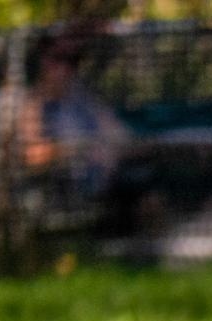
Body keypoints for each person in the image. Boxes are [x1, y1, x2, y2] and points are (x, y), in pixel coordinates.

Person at [13, 38, 130, 206]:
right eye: (58, 58)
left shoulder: (84, 98)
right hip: (57, 190)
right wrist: (74, 149)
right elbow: (31, 157)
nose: (65, 68)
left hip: (105, 185)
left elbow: (120, 135)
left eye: (73, 60)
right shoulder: (32, 104)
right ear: (41, 61)